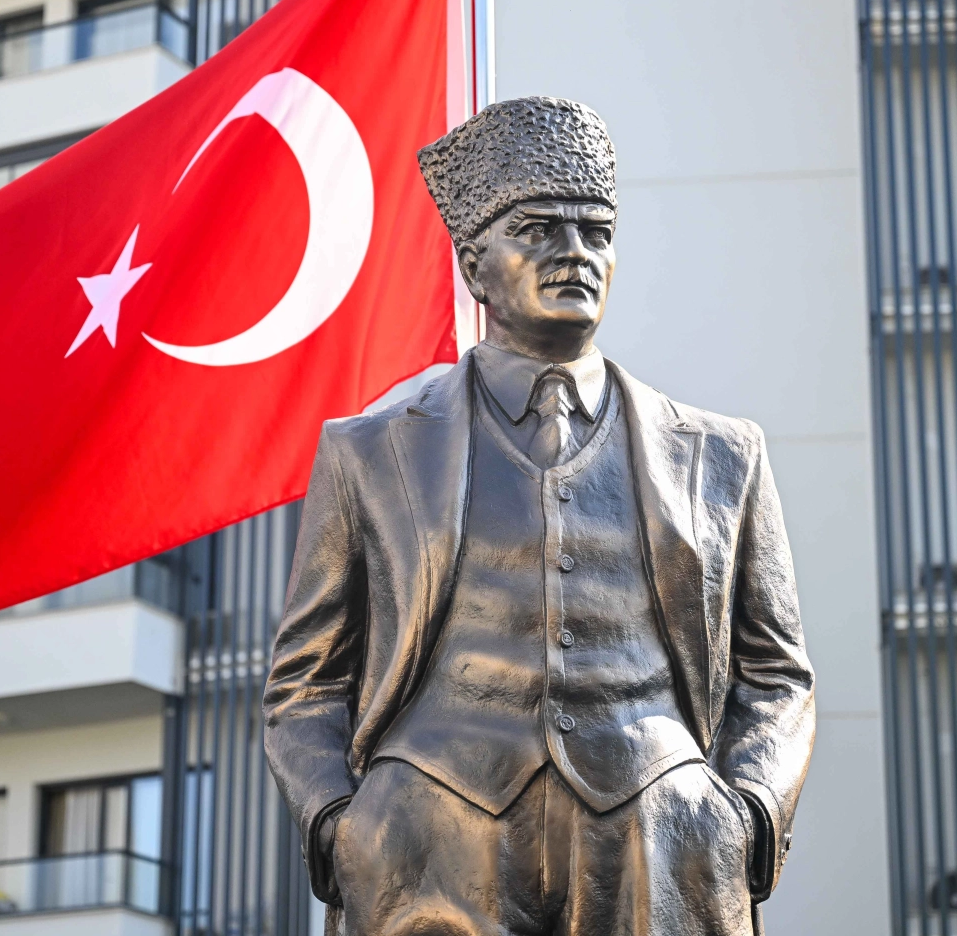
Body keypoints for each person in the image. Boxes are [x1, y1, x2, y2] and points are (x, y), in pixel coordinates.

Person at [264, 97, 815, 936]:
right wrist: (342, 825)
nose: (574, 254)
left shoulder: (722, 454)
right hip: (426, 840)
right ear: (474, 267)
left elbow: (775, 675)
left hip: (660, 840)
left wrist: (745, 814)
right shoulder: (369, 453)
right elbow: (306, 681)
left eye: (595, 233)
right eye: (538, 230)